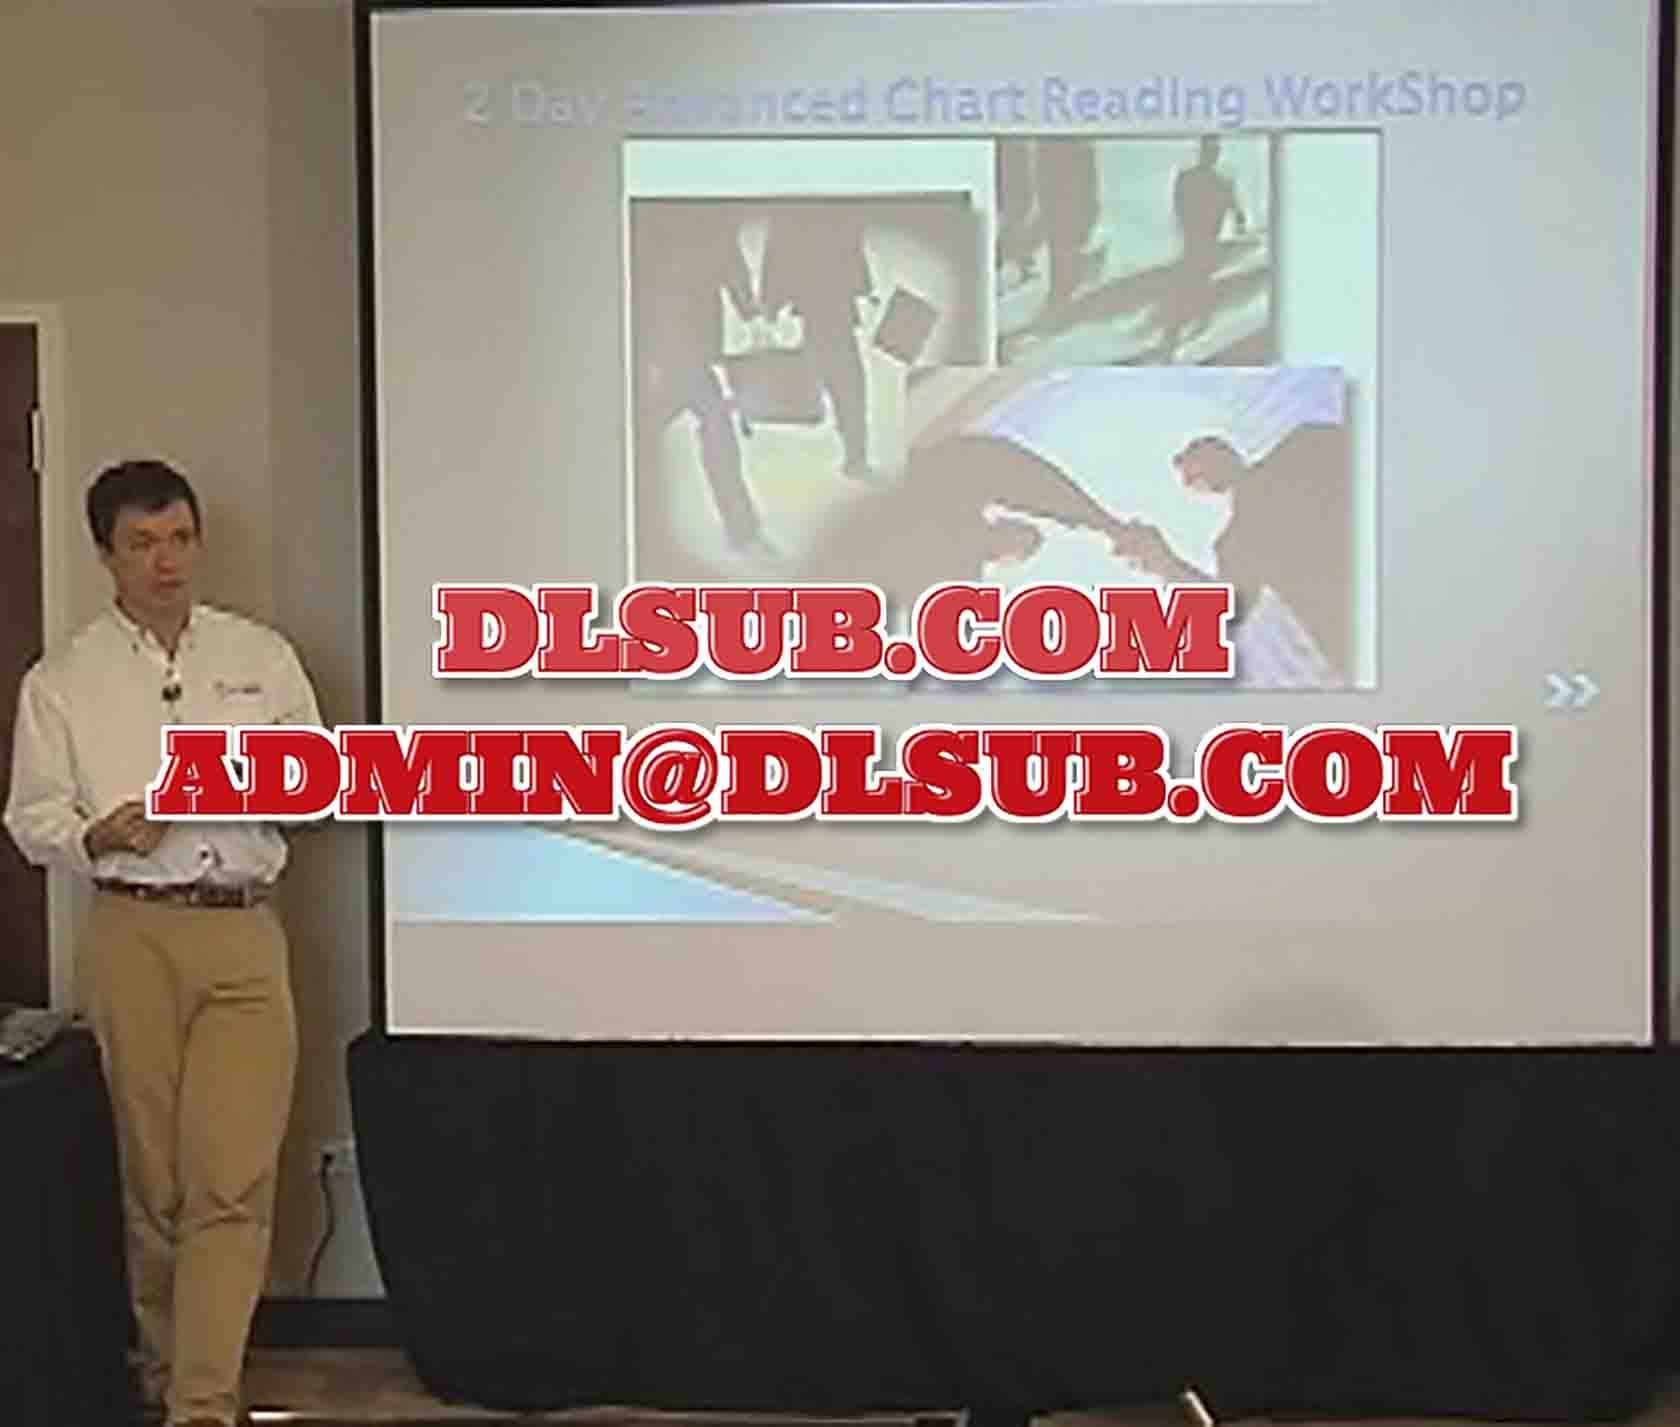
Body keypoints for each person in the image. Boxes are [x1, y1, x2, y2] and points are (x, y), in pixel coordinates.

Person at [4, 459, 322, 1427]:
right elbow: (31, 816)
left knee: (232, 1177)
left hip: (244, 928)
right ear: (106, 553)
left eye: (179, 537)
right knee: (156, 1182)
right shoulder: (63, 680)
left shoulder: (261, 655)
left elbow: (317, 783)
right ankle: (160, 1365)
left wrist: (265, 781)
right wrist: (98, 834)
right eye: (142, 543)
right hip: (133, 930)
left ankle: (202, 1400)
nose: (165, 560)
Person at [1114, 427, 1351, 677]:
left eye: (1198, 452)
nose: (1194, 472)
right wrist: (1164, 563)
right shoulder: (1236, 544)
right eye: (1191, 468)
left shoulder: (1305, 444)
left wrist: (1163, 563)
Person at [632, 203, 778, 564]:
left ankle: (743, 531)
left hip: (690, 349)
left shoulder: (707, 219)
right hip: (661, 347)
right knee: (706, 429)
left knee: (711, 428)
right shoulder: (652, 220)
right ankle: (743, 532)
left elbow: (731, 267)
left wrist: (753, 315)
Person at [759, 204, 878, 479]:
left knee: (828, 370)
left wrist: (770, 301)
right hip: (833, 299)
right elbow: (852, 235)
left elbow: (775, 250)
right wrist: (862, 284)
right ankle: (854, 451)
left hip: (814, 299)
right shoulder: (833, 209)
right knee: (846, 378)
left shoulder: (788, 212)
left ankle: (848, 445)